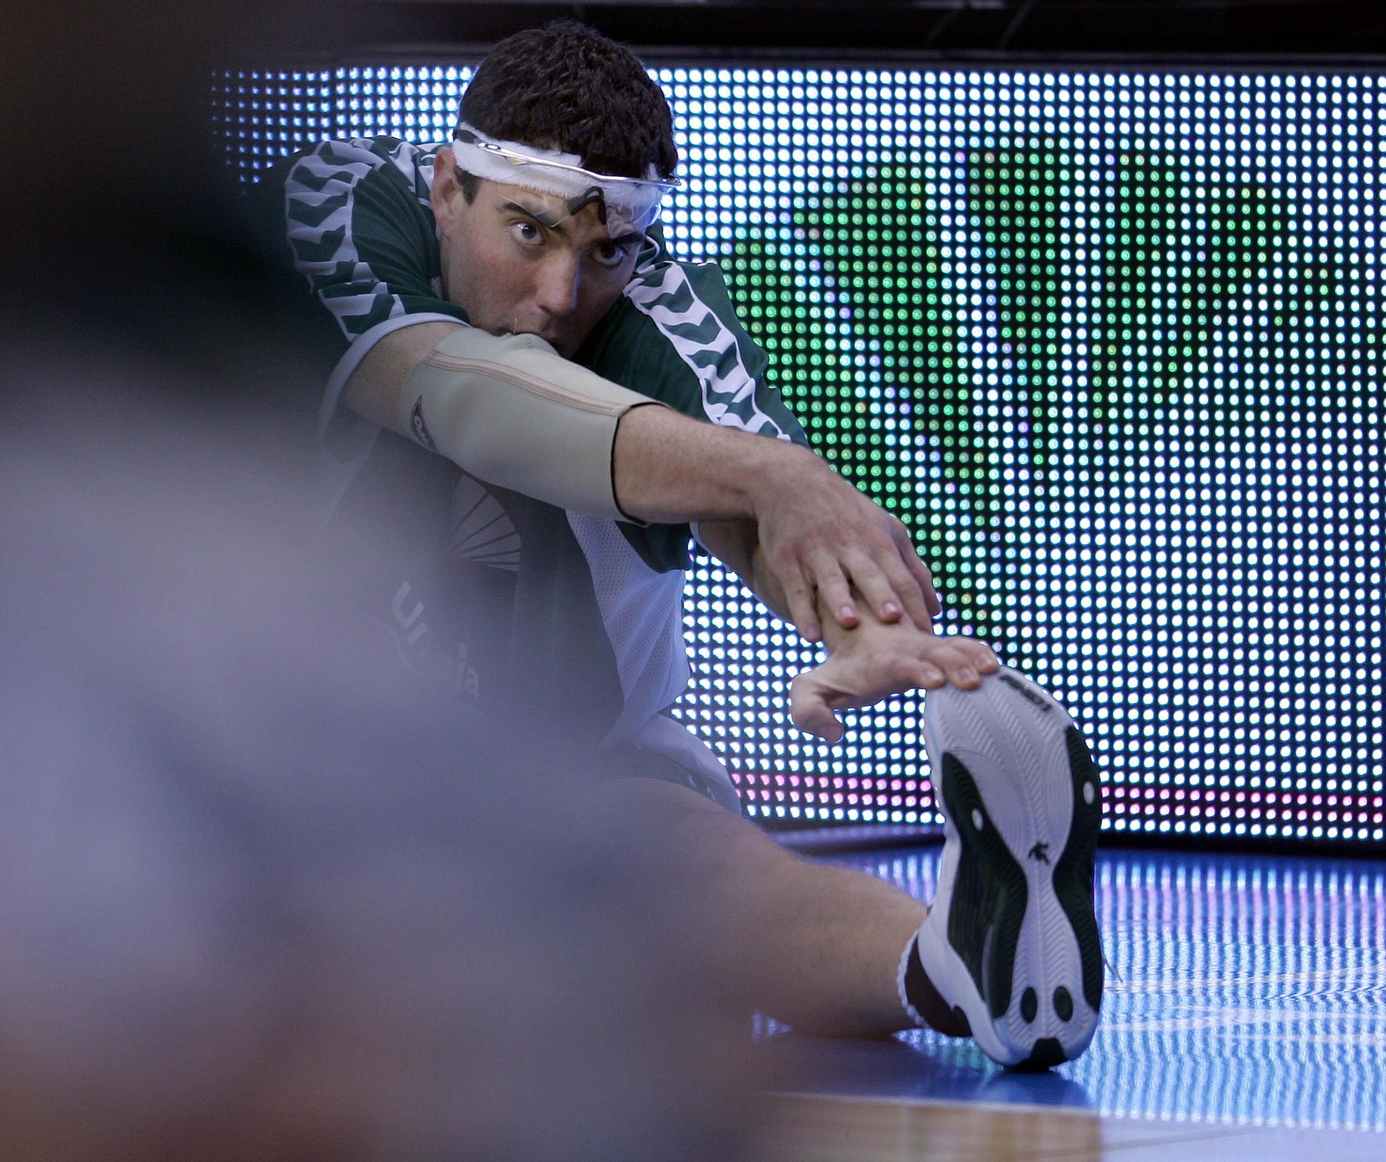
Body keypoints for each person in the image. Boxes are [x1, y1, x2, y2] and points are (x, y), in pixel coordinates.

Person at [267, 20, 1102, 1068]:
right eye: (529, 234)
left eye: (605, 250)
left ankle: (962, 967)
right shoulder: (337, 209)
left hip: (563, 772)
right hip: (275, 768)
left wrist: (856, 628)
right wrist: (773, 472)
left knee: (687, 865)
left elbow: (764, 514)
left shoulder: (663, 311)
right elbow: (451, 386)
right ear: (446, 186)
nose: (564, 298)